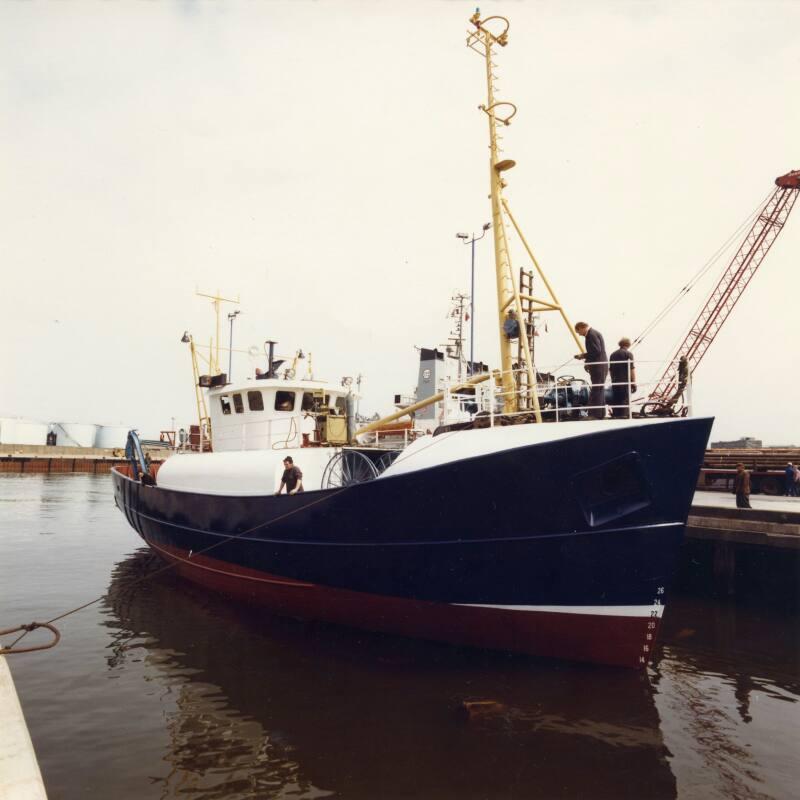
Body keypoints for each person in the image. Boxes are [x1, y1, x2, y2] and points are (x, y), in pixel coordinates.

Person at [574, 321, 608, 419]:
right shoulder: (594, 333)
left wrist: (583, 356)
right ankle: (600, 414)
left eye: (578, 332)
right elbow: (596, 351)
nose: (579, 334)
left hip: (598, 366)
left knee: (596, 389)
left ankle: (594, 415)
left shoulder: (591, 335)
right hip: (600, 365)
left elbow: (596, 351)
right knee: (599, 389)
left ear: (581, 327)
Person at [609, 337, 637, 418]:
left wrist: (613, 379)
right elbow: (632, 369)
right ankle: (624, 415)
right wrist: (633, 382)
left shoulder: (613, 354)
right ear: (628, 345)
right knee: (625, 399)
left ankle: (616, 415)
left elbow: (610, 370)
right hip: (625, 381)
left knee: (616, 398)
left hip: (615, 380)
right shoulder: (629, 354)